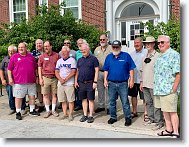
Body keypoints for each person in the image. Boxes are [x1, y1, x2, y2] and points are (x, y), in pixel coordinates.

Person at [103, 40, 136, 126]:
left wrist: (131, 80)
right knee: (112, 102)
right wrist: (105, 80)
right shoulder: (108, 57)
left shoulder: (126, 56)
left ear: (120, 47)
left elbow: (131, 69)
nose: (115, 48)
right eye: (114, 47)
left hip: (123, 83)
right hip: (111, 83)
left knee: (125, 102)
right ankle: (113, 117)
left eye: (117, 47)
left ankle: (128, 118)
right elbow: (106, 70)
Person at [154, 35, 180, 138]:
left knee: (172, 111)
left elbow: (179, 73)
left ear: (168, 43)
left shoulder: (174, 55)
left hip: (169, 89)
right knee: (165, 110)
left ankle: (176, 132)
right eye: (158, 43)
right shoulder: (160, 55)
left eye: (162, 42)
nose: (160, 44)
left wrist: (174, 88)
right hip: (159, 89)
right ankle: (169, 130)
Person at [7, 42, 40, 120]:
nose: (20, 49)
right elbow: (9, 69)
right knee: (18, 97)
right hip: (18, 82)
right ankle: (18, 112)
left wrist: (37, 77)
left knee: (32, 96)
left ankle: (32, 110)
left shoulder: (31, 56)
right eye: (19, 48)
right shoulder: (14, 57)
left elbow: (35, 68)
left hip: (31, 81)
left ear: (26, 48)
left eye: (22, 47)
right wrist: (10, 79)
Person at [140, 36, 164, 129]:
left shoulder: (158, 56)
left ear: (154, 44)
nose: (147, 45)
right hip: (145, 83)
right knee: (148, 102)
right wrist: (141, 82)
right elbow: (142, 70)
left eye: (149, 43)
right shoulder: (144, 56)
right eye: (146, 43)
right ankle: (151, 119)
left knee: (156, 103)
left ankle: (159, 122)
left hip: (154, 84)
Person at [75, 43, 99, 123]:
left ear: (88, 50)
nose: (83, 51)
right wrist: (76, 81)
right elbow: (77, 71)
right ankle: (85, 115)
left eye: (84, 50)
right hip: (81, 83)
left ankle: (91, 115)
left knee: (91, 99)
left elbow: (96, 70)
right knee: (83, 99)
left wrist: (95, 81)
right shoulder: (79, 60)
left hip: (90, 82)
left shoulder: (93, 59)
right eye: (82, 50)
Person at [0, 45, 26, 115]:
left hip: (19, 81)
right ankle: (12, 108)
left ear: (16, 51)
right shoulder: (5, 59)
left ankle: (22, 108)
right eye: (9, 51)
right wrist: (2, 79)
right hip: (9, 81)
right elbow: (1, 70)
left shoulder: (19, 58)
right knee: (10, 95)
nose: (11, 52)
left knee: (21, 94)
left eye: (13, 51)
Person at [38, 40, 60, 118]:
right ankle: (48, 111)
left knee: (54, 95)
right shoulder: (42, 56)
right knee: (45, 95)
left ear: (51, 46)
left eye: (47, 46)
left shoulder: (57, 55)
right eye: (45, 46)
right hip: (45, 78)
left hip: (54, 78)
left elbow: (59, 67)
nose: (46, 48)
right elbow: (39, 68)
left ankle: (53, 110)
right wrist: (40, 78)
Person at [55, 46, 77, 121]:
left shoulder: (72, 60)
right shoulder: (59, 61)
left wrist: (66, 79)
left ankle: (70, 114)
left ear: (68, 52)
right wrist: (60, 79)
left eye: (65, 52)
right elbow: (56, 72)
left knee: (70, 100)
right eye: (62, 52)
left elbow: (73, 71)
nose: (63, 53)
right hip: (60, 83)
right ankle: (65, 113)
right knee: (62, 100)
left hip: (69, 83)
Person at [128, 37, 148, 119]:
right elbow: (129, 67)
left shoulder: (146, 52)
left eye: (138, 43)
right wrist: (130, 79)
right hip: (134, 79)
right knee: (133, 96)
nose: (136, 44)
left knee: (145, 97)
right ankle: (134, 111)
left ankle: (146, 113)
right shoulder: (131, 54)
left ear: (142, 43)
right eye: (135, 43)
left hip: (143, 79)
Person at [94, 34, 112, 114]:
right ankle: (101, 105)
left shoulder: (111, 48)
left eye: (103, 39)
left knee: (108, 90)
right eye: (100, 39)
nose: (102, 41)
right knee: (100, 90)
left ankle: (109, 107)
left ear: (107, 39)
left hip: (108, 72)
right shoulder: (97, 49)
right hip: (99, 72)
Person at [32, 39, 44, 113]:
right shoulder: (33, 53)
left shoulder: (46, 51)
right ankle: (41, 105)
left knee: (47, 91)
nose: (38, 45)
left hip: (46, 74)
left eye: (40, 43)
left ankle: (48, 104)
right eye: (37, 44)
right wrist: (37, 76)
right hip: (36, 74)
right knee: (39, 91)